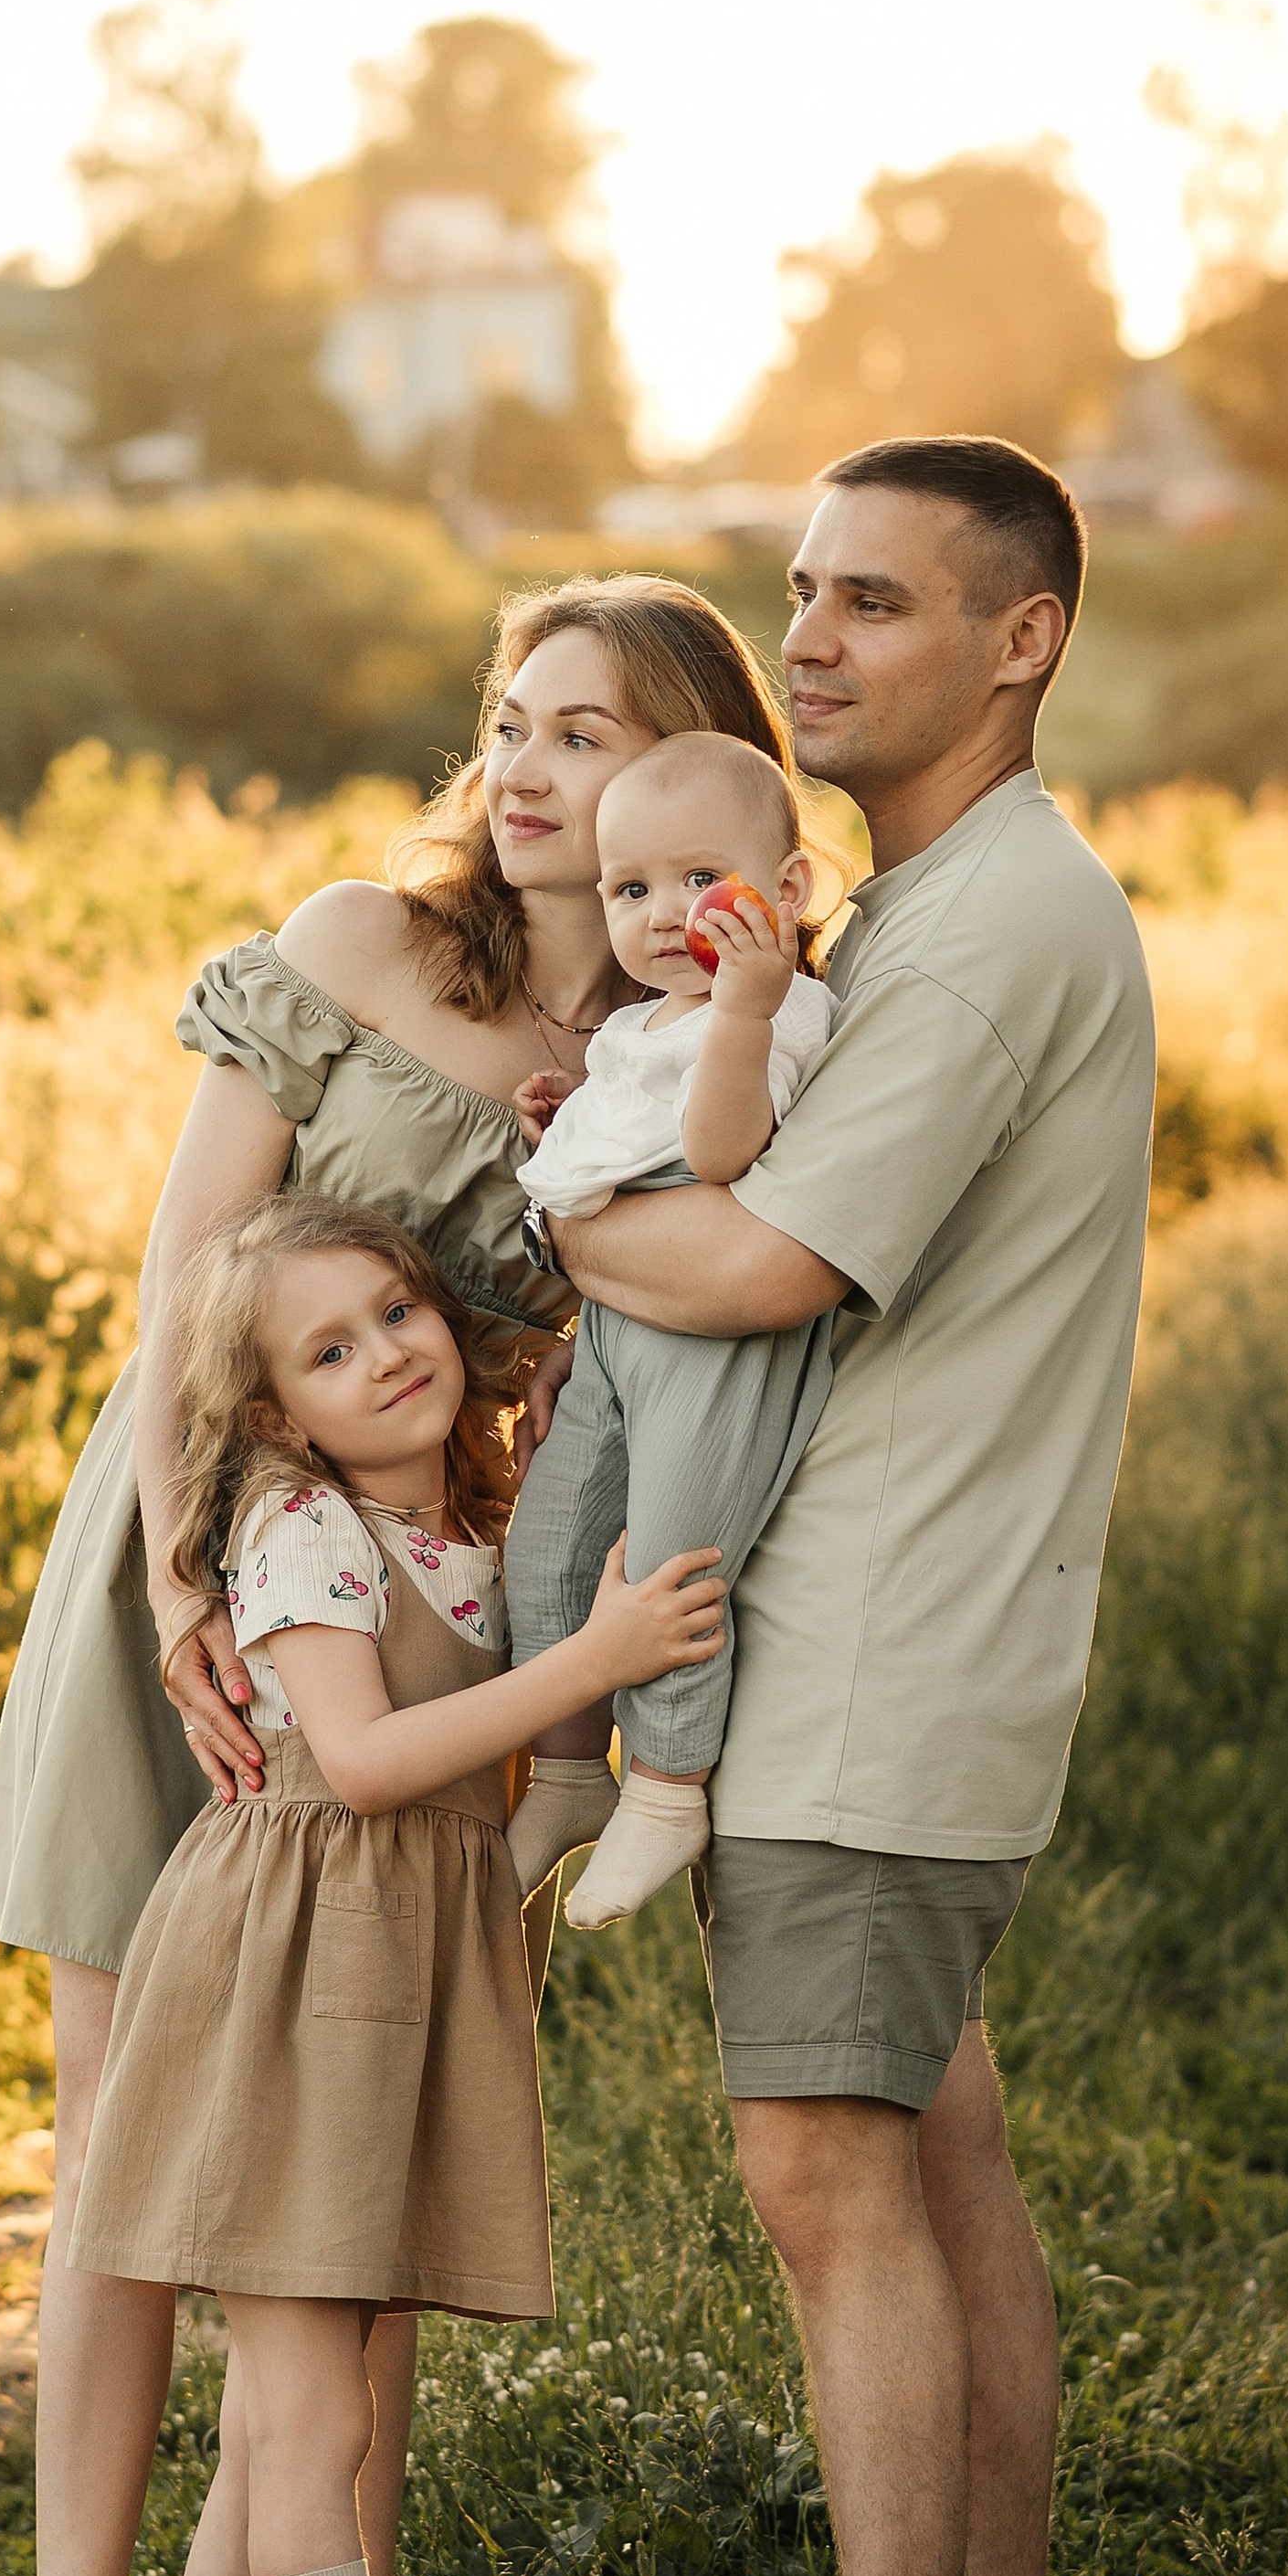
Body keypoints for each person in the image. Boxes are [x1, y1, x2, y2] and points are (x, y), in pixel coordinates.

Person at [0, 574, 800, 2576]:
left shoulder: (671, 1053)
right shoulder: (352, 944)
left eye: (584, 735)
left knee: (353, 2168)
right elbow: (186, 1273)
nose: (522, 770)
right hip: (192, 1558)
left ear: (681, 771)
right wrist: (173, 1575)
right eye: (507, 720)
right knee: (121, 2154)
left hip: (420, 1628)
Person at [548, 435, 1156, 2576]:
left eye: (874, 600)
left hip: (874, 1650)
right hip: (887, 1631)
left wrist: (546, 1202)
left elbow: (762, 1264)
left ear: (1022, 640)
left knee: (823, 2176)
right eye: (800, 589)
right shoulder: (907, 911)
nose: (806, 638)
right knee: (928, 2156)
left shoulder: (992, 925)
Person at [68, 1196, 723, 2576]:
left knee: (283, 2411)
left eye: (398, 1312)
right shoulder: (300, 1532)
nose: (385, 1356)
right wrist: (590, 1664)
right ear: (274, 1414)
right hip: (293, 1975)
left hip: (372, 1975)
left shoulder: (452, 1519)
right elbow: (359, 1762)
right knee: (316, 2411)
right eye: (330, 1350)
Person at [505, 730, 838, 1928]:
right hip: (613, 1329)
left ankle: (665, 1786)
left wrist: (744, 1008)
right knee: (547, 1547)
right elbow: (644, 1121)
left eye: (701, 879)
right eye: (629, 888)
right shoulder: (642, 1024)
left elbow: (717, 1148)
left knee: (672, 1568)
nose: (662, 915)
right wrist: (577, 1120)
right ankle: (563, 1776)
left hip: (709, 1341)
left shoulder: (778, 1012)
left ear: (787, 890)